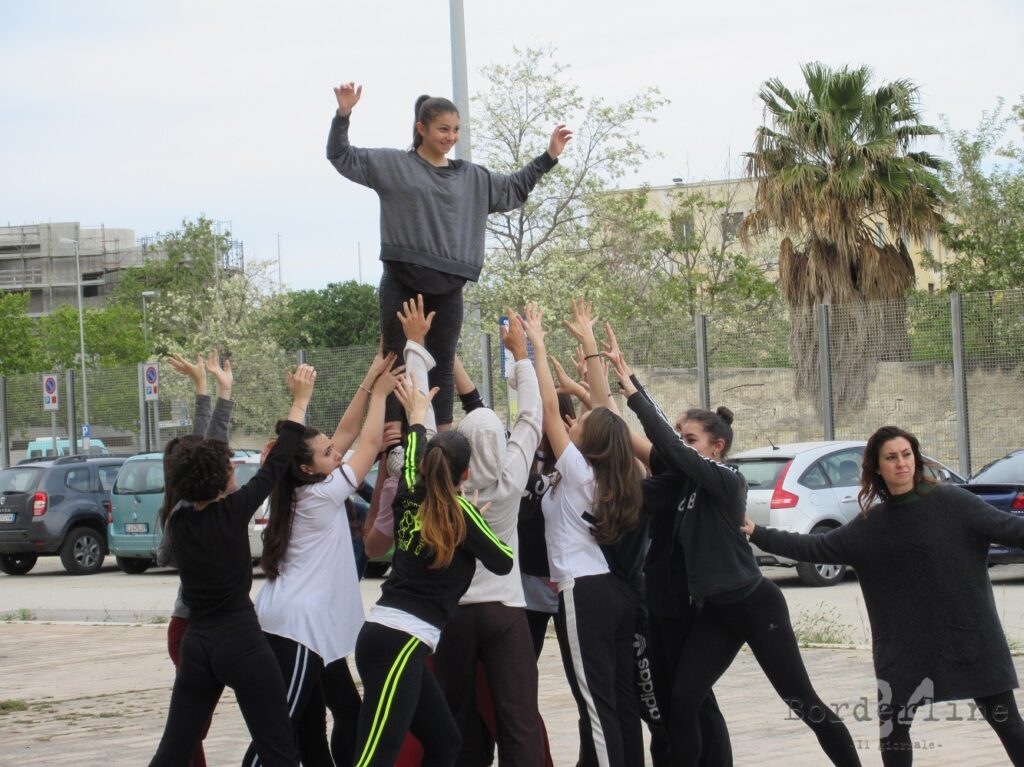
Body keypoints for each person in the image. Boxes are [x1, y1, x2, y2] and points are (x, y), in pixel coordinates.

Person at [608, 353, 861, 767]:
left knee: (802, 701)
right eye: (682, 437)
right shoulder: (684, 485)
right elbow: (653, 453)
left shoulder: (728, 481)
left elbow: (670, 448)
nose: (681, 444)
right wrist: (611, 394)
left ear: (717, 446)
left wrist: (635, 391)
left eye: (691, 438)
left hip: (755, 605)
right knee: (684, 699)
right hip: (717, 613)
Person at [742, 425, 1024, 766]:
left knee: (1006, 721)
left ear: (917, 460)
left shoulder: (955, 503)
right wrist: (757, 532)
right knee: (893, 730)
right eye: (891, 458)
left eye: (907, 455)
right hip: (904, 648)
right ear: (877, 467)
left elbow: (1012, 529)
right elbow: (813, 546)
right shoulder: (870, 525)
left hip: (970, 637)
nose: (901, 464)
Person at [326, 81, 572, 429]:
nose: (450, 136)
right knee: (396, 362)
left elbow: (515, 188)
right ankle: (394, 442)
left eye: (456, 130)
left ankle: (441, 440)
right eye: (443, 129)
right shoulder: (395, 165)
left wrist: (549, 156)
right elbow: (341, 156)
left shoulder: (472, 177)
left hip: (449, 286)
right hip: (402, 281)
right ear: (421, 129)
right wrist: (343, 115)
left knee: (441, 362)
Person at [149, 365, 317, 767]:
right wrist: (299, 401)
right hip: (239, 641)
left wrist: (210, 392)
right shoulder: (232, 511)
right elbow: (276, 465)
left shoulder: (178, 519)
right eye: (229, 466)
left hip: (197, 646)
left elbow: (200, 458)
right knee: (279, 747)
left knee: (173, 750)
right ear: (217, 477)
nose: (235, 469)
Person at [242, 351, 400, 767]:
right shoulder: (322, 495)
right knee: (280, 732)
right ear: (308, 468)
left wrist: (368, 379)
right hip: (295, 629)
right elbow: (366, 441)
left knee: (329, 718)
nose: (337, 454)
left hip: (308, 628)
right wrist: (382, 394)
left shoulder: (302, 485)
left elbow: (347, 433)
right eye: (329, 453)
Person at [350, 376, 514, 767]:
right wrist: (474, 520)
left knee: (445, 743)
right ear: (466, 475)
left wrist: (417, 417)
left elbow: (411, 458)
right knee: (374, 758)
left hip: (392, 638)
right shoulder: (463, 514)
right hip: (398, 642)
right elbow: (503, 560)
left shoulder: (409, 490)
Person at [521, 301, 646, 767]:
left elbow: (551, 408)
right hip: (610, 589)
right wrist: (589, 346)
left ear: (588, 441)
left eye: (583, 424)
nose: (576, 422)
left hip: (584, 591)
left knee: (596, 707)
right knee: (616, 698)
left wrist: (536, 340)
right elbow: (604, 408)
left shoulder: (578, 470)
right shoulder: (613, 473)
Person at [432, 309, 547, 766]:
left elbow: (428, 421)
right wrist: (520, 354)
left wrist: (434, 358)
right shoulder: (511, 478)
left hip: (454, 615)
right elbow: (533, 416)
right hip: (505, 611)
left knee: (458, 717)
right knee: (518, 720)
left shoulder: (439, 486)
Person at [158, 351, 236, 767]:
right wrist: (215, 392)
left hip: (205, 627)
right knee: (191, 727)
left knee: (191, 726)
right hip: (191, 628)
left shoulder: (187, 506)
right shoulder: (185, 513)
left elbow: (206, 447)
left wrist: (209, 389)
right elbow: (210, 447)